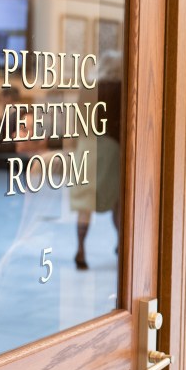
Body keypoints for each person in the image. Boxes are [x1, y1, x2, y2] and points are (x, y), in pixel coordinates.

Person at [68, 52, 123, 270]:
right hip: (111, 147)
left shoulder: (87, 87)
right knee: (117, 201)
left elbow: (77, 119)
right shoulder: (120, 88)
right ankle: (121, 243)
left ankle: (80, 248)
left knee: (85, 203)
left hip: (86, 145)